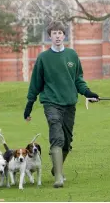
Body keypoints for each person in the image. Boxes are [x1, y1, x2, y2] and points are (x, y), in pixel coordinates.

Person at [24, 20, 100, 188]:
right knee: (57, 137)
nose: (57, 36)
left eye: (60, 33)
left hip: (69, 103)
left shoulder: (72, 55)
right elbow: (35, 83)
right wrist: (29, 105)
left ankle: (56, 168)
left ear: (64, 35)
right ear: (49, 36)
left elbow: (78, 79)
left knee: (67, 141)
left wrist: (87, 93)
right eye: (54, 33)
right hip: (51, 103)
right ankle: (58, 177)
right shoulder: (43, 58)